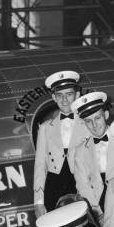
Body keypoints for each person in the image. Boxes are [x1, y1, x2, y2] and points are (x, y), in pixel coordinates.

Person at [33, 71, 87, 217]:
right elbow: (40, 166)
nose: (64, 100)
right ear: (53, 98)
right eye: (60, 95)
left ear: (77, 95)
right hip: (54, 187)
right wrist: (38, 202)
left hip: (81, 186)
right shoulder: (45, 127)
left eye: (69, 94)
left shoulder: (88, 124)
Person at [71, 91, 114, 215]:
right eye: (88, 121)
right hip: (100, 204)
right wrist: (96, 211)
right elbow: (82, 186)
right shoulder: (80, 151)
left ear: (106, 114)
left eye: (97, 118)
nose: (94, 125)